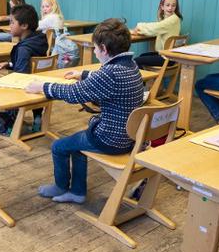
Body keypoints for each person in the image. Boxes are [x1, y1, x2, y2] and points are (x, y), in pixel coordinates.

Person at [24, 18, 144, 204]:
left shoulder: (109, 74)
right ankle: (77, 192)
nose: (95, 52)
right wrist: (84, 74)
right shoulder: (130, 65)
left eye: (95, 48)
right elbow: (105, 79)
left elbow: (73, 94)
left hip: (111, 140)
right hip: (130, 138)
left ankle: (61, 186)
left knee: (59, 146)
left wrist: (43, 86)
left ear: (104, 49)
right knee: (77, 148)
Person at [0, 3, 48, 133]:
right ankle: (37, 116)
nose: (9, 25)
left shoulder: (23, 48)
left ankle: (8, 126)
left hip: (21, 94)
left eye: (12, 22)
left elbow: (21, 75)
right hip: (38, 89)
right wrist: (9, 64)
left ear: (24, 26)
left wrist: (1, 79)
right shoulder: (39, 41)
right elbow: (32, 64)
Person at [132, 0, 183, 68]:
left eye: (173, 5)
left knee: (135, 61)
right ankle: (144, 80)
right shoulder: (171, 19)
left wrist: (139, 26)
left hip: (167, 58)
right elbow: (156, 28)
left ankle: (142, 80)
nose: (170, 8)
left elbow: (155, 28)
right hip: (167, 55)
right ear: (162, 7)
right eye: (167, 5)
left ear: (176, 7)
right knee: (142, 56)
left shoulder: (173, 20)